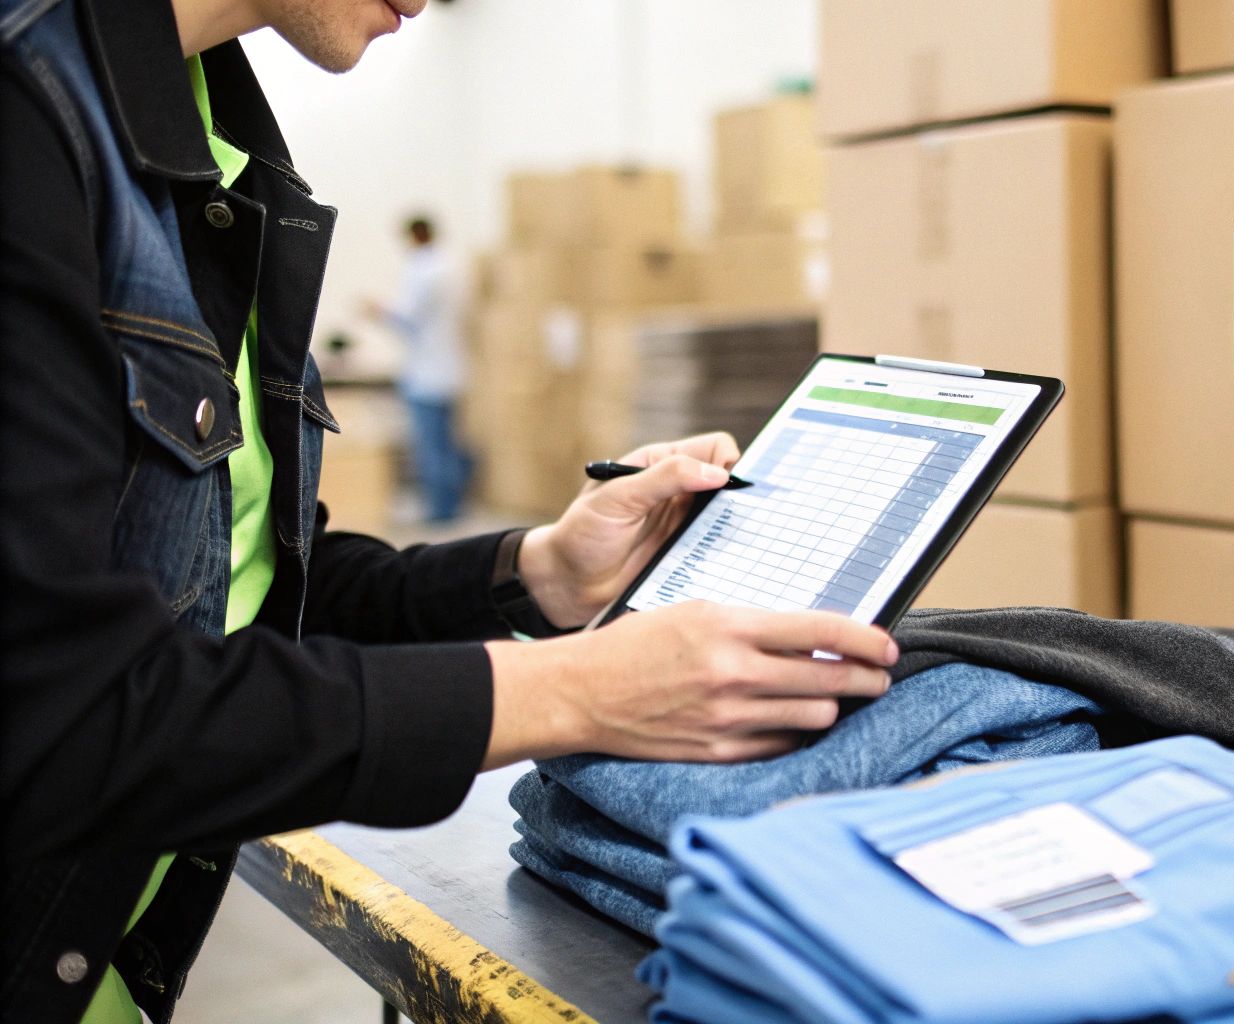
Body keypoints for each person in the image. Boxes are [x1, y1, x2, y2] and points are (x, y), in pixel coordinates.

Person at [0, 2, 896, 1022]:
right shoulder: (29, 110)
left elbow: (236, 584)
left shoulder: (219, 146)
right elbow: (59, 716)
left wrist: (540, 570)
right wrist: (575, 690)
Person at [362, 215, 474, 522]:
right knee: (448, 444)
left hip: (426, 373)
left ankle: (439, 512)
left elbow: (409, 318)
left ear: (414, 236)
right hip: (452, 369)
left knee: (430, 448)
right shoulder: (452, 266)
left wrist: (377, 310)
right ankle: (450, 506)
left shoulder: (422, 270)